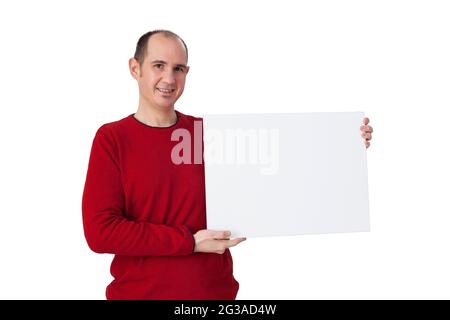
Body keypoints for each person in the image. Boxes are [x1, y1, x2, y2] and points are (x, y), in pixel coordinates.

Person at [82, 29, 373, 300]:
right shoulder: (112, 139)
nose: (169, 78)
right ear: (136, 68)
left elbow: (283, 166)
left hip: (215, 294)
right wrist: (189, 242)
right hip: (139, 295)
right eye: (158, 65)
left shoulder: (207, 135)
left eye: (178, 69)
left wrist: (345, 144)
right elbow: (101, 232)